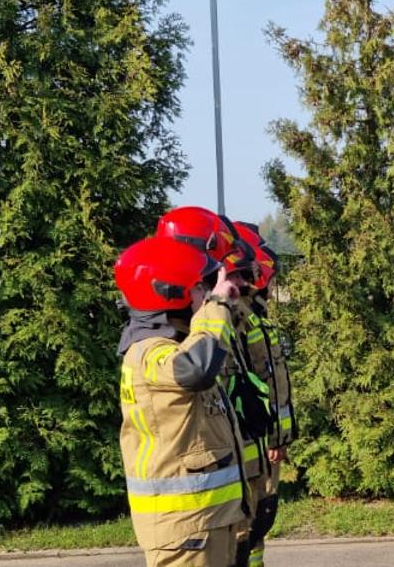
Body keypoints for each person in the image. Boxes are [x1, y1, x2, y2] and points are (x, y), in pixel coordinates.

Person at [114, 235, 245, 567]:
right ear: (171, 294)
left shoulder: (171, 346)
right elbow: (196, 368)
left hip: (203, 521)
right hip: (186, 528)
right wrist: (215, 307)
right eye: (199, 288)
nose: (204, 296)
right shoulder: (148, 353)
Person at [159, 207, 270, 567]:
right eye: (216, 268)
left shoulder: (208, 312)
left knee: (247, 537)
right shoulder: (168, 335)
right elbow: (200, 369)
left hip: (220, 478)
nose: (223, 278)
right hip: (191, 507)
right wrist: (218, 303)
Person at [230, 221, 291, 567]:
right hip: (252, 440)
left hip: (266, 438)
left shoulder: (257, 313)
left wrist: (279, 435)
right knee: (247, 527)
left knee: (259, 523)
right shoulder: (240, 316)